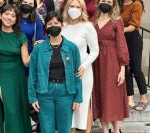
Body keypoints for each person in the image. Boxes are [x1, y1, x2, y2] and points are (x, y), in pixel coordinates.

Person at [28, 11, 83, 133]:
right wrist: (32, 98)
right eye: (50, 23)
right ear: (46, 27)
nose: (53, 26)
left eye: (56, 23)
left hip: (66, 92)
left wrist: (78, 98)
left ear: (62, 25)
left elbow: (77, 74)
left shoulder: (72, 48)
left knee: (65, 128)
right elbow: (32, 75)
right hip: (44, 91)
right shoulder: (38, 49)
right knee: (47, 129)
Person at [92, 0, 130, 133]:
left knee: (113, 96)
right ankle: (105, 130)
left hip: (112, 61)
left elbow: (121, 43)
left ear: (113, 4)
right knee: (100, 95)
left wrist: (123, 68)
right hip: (97, 63)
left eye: (109, 1)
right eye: (103, 0)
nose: (105, 3)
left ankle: (116, 130)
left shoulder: (117, 20)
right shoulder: (93, 20)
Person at [62, 0, 99, 133]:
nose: (75, 9)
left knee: (83, 105)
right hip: (65, 71)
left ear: (83, 10)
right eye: (72, 6)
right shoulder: (63, 26)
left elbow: (95, 50)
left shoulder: (87, 26)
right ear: (67, 8)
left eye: (78, 7)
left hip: (83, 71)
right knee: (69, 105)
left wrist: (84, 66)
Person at [0, 4, 32, 133]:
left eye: (13, 15)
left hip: (17, 78)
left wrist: (37, 50)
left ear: (16, 19)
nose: (9, 17)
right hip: (0, 76)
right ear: (0, 15)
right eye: (7, 14)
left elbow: (26, 62)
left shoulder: (21, 37)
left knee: (14, 110)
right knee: (3, 110)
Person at [120, 0, 148, 111]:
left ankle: (143, 98)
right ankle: (130, 99)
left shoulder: (136, 4)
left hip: (133, 39)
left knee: (136, 69)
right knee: (126, 69)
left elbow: (134, 25)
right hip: (123, 39)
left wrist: (120, 30)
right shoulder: (119, 4)